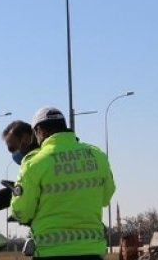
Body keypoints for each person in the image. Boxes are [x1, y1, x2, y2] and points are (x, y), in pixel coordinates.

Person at [10, 106, 115, 260]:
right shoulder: (97, 156)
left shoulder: (34, 163)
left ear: (39, 131)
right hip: (92, 251)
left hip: (50, 252)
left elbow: (22, 211)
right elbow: (106, 197)